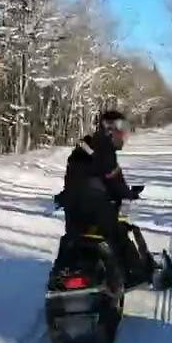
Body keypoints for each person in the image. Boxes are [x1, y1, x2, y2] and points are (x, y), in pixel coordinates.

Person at [56, 110, 143, 289]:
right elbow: (115, 181)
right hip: (94, 209)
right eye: (121, 129)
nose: (124, 135)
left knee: (71, 239)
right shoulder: (104, 148)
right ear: (110, 129)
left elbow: (78, 176)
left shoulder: (86, 145)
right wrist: (128, 194)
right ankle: (134, 273)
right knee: (120, 231)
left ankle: (61, 273)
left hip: (73, 209)